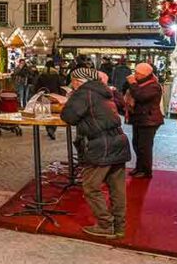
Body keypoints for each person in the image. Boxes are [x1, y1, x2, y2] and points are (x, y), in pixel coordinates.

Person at [60, 66, 131, 239]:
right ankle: (119, 226)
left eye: (73, 81)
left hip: (101, 144)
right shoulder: (103, 91)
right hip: (118, 141)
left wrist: (67, 101)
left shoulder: (84, 93)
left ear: (77, 81)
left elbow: (68, 116)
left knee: (91, 186)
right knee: (117, 187)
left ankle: (105, 225)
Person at [125, 62, 163, 179]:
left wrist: (133, 83)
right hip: (140, 119)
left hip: (149, 120)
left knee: (144, 147)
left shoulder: (153, 86)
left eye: (137, 73)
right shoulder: (141, 83)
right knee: (137, 144)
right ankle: (139, 167)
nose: (135, 75)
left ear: (144, 74)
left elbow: (140, 96)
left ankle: (146, 171)